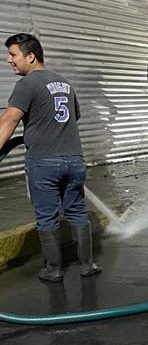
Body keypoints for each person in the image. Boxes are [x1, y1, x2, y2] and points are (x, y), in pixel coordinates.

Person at [0, 33, 101, 282]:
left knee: (46, 216)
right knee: (77, 212)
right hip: (74, 160)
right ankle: (87, 265)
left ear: (31, 56)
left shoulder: (27, 84)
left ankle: (54, 270)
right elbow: (73, 116)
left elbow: (9, 120)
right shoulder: (64, 82)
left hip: (44, 163)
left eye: (13, 54)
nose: (8, 60)